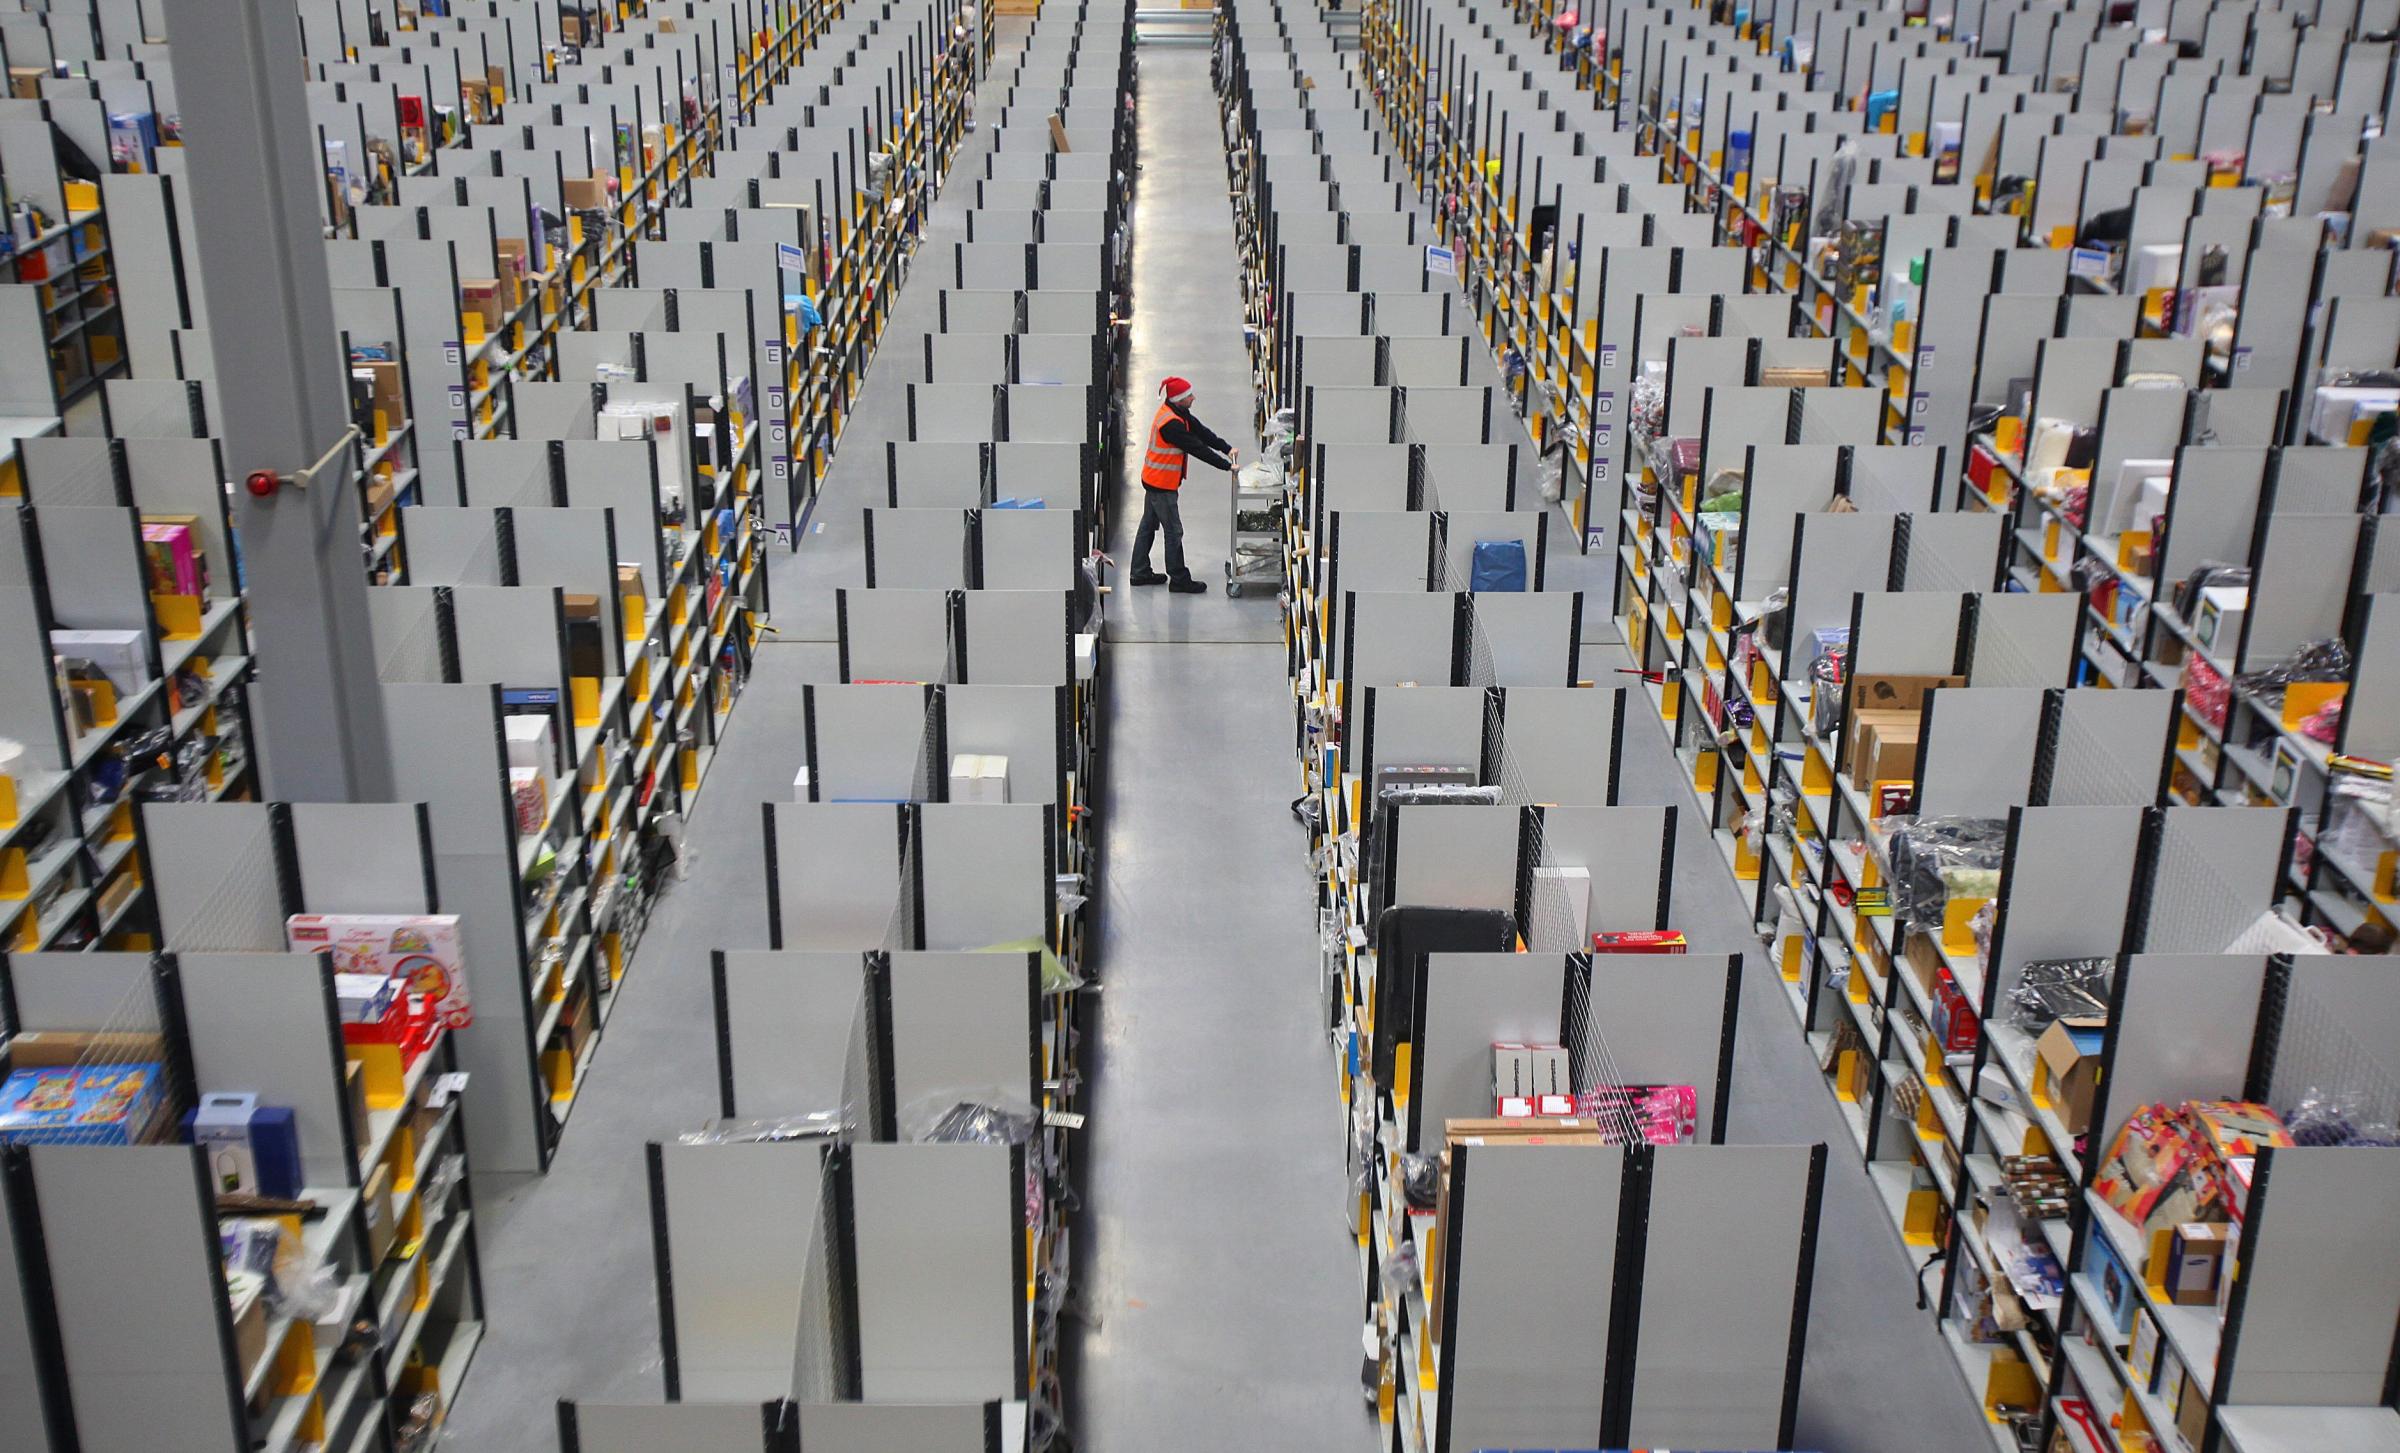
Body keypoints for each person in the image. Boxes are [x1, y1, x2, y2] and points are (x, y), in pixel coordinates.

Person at [1133, 375, 1236, 593]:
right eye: (1189, 395)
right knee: (1174, 531)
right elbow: (1196, 447)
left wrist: (1226, 448)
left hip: (1155, 479)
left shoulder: (1178, 413)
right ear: (1179, 399)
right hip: (1161, 484)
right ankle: (1179, 579)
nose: (1193, 398)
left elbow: (1201, 432)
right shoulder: (1170, 424)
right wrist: (1226, 466)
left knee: (1148, 526)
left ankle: (1139, 571)